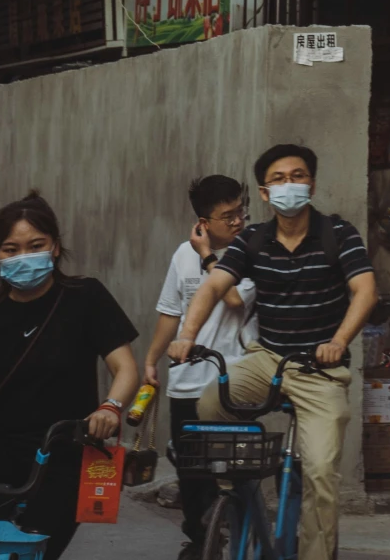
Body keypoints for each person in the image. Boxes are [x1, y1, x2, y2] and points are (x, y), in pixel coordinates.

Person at [171, 143, 376, 560]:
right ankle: (236, 492)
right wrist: (186, 337)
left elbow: (365, 290)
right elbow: (214, 286)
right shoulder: (254, 238)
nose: (289, 186)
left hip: (319, 367)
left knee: (320, 472)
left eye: (298, 176)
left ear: (312, 184)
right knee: (211, 403)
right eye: (279, 179)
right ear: (265, 193)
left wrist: (338, 342)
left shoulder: (339, 235)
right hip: (269, 358)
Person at [0, 191, 138, 560]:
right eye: (11, 249)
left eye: (35, 245)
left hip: (66, 450)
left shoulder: (85, 297)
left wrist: (110, 407)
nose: (23, 257)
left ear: (55, 247)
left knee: (33, 550)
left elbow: (124, 367)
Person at [145, 174, 258, 558]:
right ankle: (198, 541)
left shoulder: (252, 252)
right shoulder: (182, 255)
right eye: (227, 215)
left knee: (234, 471)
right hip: (186, 381)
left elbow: (232, 301)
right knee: (192, 474)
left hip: (232, 381)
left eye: (240, 211)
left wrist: (209, 256)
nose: (238, 220)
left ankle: (239, 534)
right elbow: (169, 313)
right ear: (204, 223)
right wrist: (150, 360)